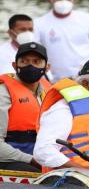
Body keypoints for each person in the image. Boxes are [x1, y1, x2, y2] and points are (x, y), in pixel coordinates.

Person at [34, 0, 89, 81]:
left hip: (87, 77)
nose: (64, 2)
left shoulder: (87, 19)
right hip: (56, 80)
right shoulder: (39, 23)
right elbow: (35, 54)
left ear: (74, 0)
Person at [0, 42, 51, 172]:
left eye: (36, 61)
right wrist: (31, 160)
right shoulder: (3, 93)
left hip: (42, 155)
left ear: (46, 68)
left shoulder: (49, 90)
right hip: (10, 159)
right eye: (24, 61)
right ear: (14, 65)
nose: (30, 66)